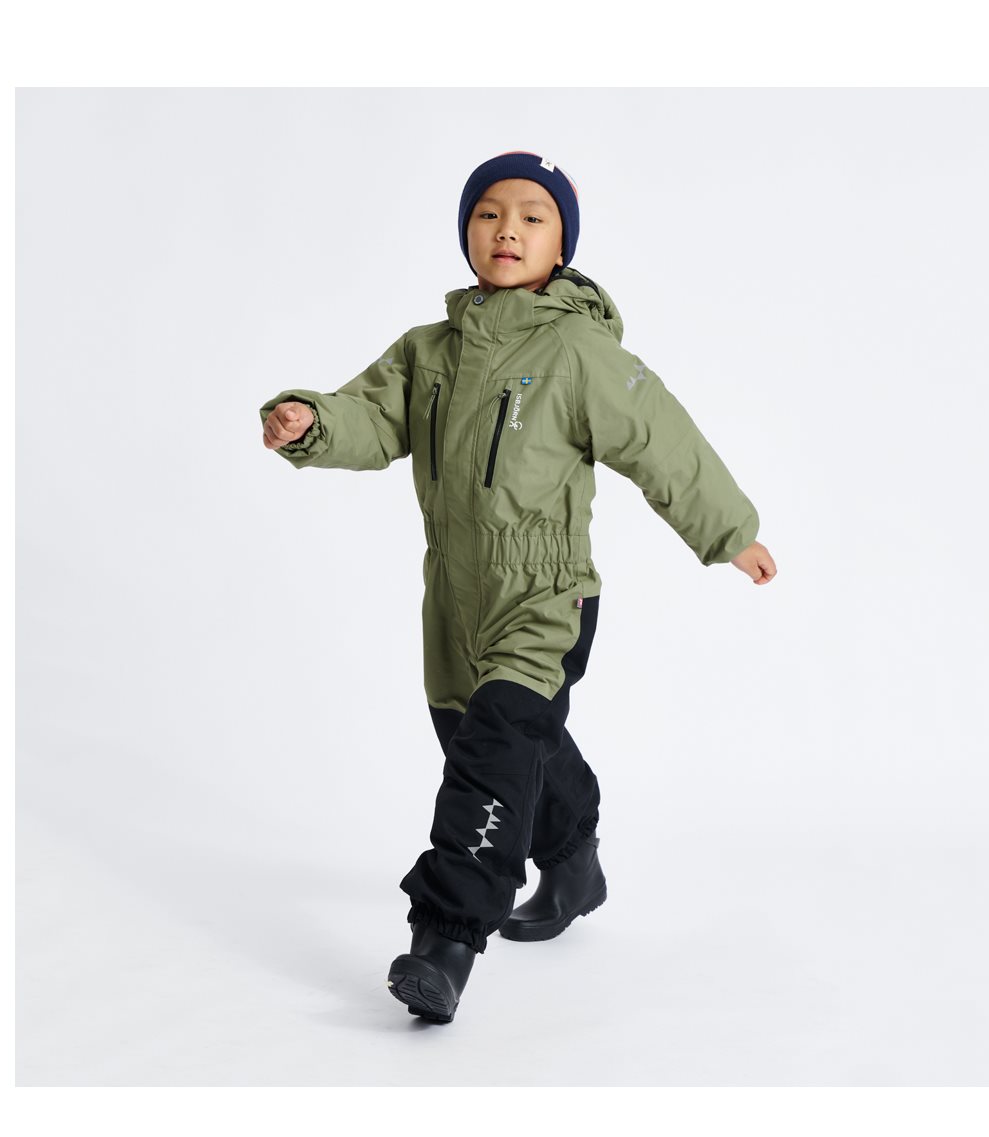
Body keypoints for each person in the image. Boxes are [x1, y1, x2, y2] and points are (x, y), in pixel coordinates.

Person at [259, 150, 777, 1025]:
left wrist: (730, 531)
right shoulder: (429, 350)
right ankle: (574, 860)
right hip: (453, 597)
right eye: (489, 213)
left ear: (560, 244)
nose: (508, 230)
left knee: (492, 758)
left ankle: (445, 945)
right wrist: (311, 420)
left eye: (533, 217)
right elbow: (371, 416)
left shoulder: (578, 352)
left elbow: (662, 440)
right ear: (466, 232)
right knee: (494, 742)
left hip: (545, 595)